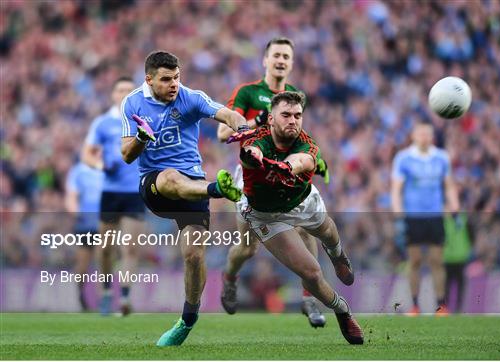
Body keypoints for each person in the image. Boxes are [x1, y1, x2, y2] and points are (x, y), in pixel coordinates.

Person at [120, 50, 250, 346]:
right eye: (166, 79)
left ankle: (188, 319)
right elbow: (127, 155)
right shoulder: (132, 103)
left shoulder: (190, 97)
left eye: (177, 77)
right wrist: (142, 137)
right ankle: (217, 190)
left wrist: (243, 129)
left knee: (193, 256)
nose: (174, 84)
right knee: (169, 177)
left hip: (193, 185)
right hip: (156, 187)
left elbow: (227, 114)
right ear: (149, 79)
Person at [233, 91, 363, 344]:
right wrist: (256, 158)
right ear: (270, 119)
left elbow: (302, 160)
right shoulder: (256, 140)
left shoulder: (308, 144)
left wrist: (286, 167)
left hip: (301, 201)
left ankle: (337, 256)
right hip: (266, 215)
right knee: (312, 274)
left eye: (297, 115)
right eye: (286, 115)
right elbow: (251, 154)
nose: (293, 120)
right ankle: (342, 310)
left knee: (327, 232)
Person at [217, 37, 329, 328]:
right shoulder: (249, 92)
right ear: (265, 60)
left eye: (286, 56)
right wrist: (258, 121)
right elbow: (221, 133)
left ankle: (310, 297)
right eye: (276, 55)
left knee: (306, 227)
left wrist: (316, 161)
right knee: (248, 248)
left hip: (285, 173)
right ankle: (229, 277)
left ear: (291, 64)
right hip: (253, 177)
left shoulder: (294, 95)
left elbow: (299, 138)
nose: (281, 60)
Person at [82, 76, 145, 316]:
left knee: (129, 247)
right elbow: (87, 154)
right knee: (106, 248)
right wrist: (100, 166)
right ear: (113, 94)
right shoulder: (102, 123)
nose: (125, 94)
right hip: (110, 192)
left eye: (129, 90)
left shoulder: (142, 121)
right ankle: (107, 292)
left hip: (134, 192)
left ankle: (126, 297)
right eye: (120, 90)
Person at [391, 122, 459, 316]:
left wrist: (454, 205)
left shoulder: (441, 158)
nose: (424, 137)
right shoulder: (403, 158)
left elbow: (449, 185)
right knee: (415, 261)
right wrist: (398, 213)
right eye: (420, 133)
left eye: (427, 134)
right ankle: (414, 305)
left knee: (437, 260)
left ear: (432, 137)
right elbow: (396, 188)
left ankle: (441, 305)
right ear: (413, 136)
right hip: (413, 216)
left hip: (435, 215)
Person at [64, 159, 104, 311]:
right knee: (82, 265)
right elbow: (71, 196)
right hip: (85, 224)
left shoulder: (107, 168)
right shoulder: (78, 171)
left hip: (104, 222)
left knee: (103, 260)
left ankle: (103, 300)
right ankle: (80, 295)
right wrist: (76, 213)